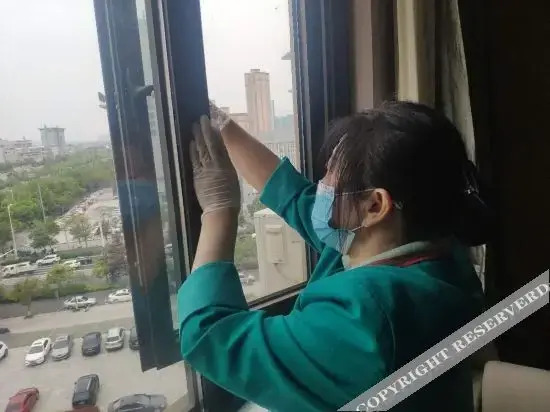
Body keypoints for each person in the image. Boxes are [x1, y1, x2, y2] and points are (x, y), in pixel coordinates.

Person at [177, 101, 492, 412]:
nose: (321, 185)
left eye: (330, 174)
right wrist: (224, 128)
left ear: (375, 206)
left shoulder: (366, 320)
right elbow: (294, 196)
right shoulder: (436, 256)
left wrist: (218, 211)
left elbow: (211, 336)